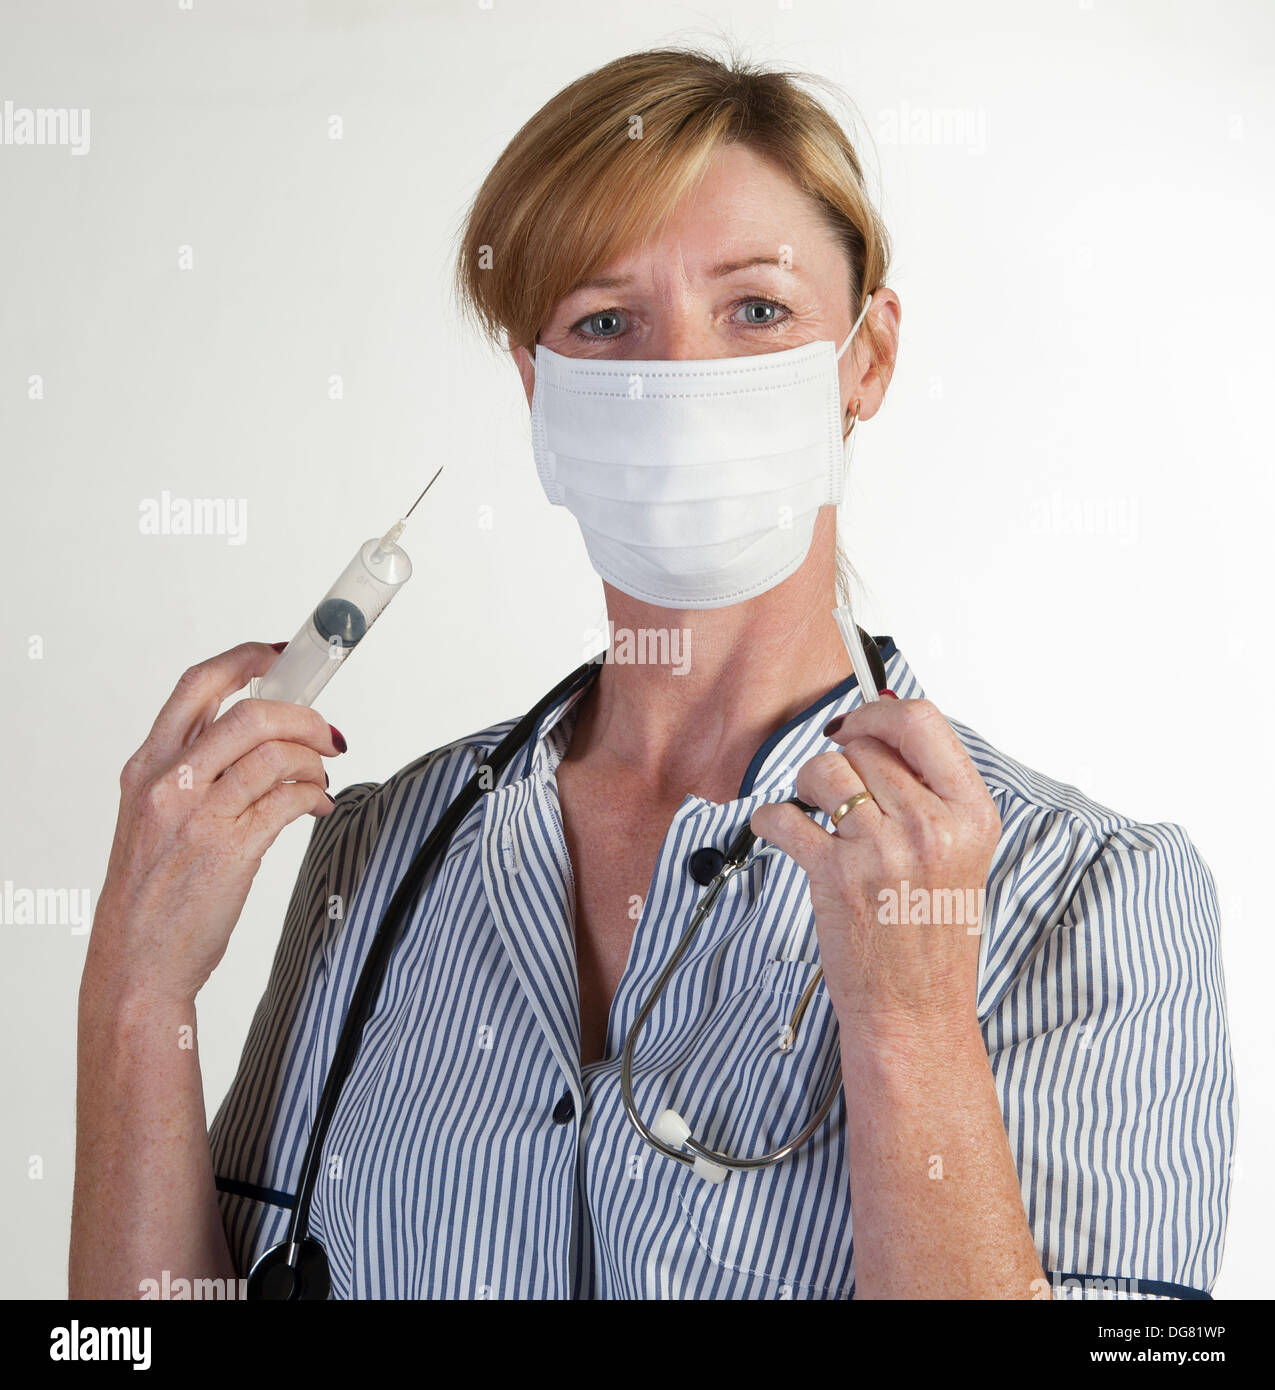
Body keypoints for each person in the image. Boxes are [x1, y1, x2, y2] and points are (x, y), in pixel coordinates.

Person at [70, 46, 1234, 1300]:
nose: (679, 377)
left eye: (758, 311)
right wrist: (136, 992)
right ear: (541, 390)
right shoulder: (378, 857)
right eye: (606, 322)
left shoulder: (1087, 895)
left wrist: (909, 1029)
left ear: (868, 360)